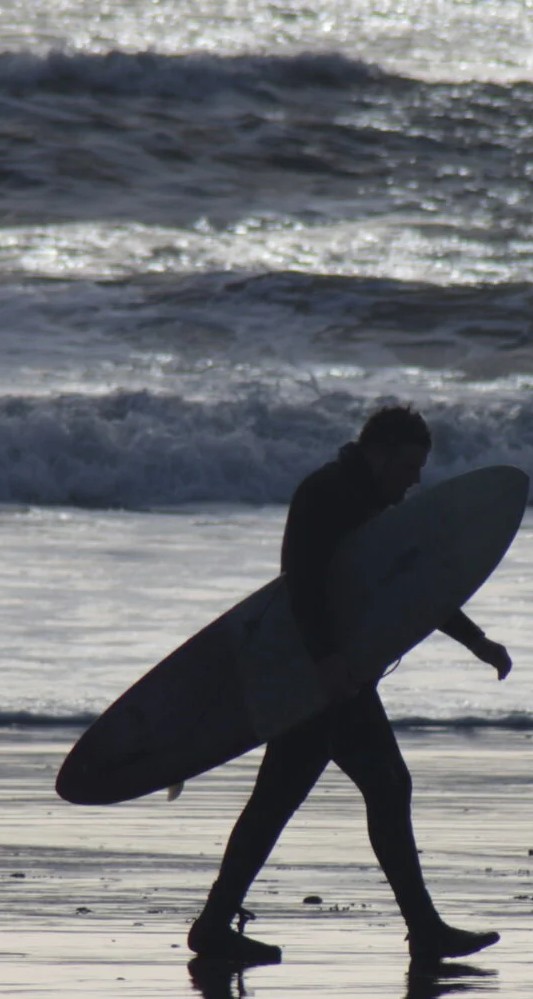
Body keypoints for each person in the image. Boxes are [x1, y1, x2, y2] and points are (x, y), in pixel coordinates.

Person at [187, 406, 511, 969]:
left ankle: (216, 924)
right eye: (408, 466)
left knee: (320, 794)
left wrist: (475, 640)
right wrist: (327, 663)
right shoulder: (327, 495)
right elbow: (302, 586)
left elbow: (411, 587)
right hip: (316, 675)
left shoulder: (373, 502)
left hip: (334, 673)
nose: (414, 480)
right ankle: (422, 930)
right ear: (378, 454)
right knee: (357, 789)